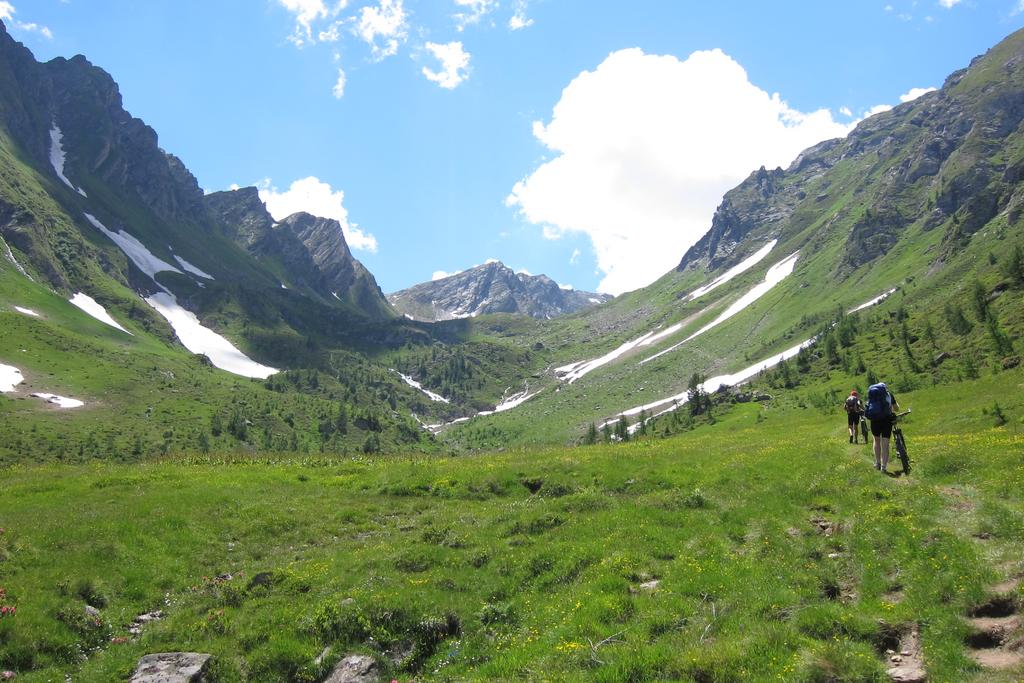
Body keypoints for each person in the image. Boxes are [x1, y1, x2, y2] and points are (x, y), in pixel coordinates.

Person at [866, 382, 900, 474]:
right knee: (885, 443)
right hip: (886, 421)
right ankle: (884, 467)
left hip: (875, 421)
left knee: (876, 441)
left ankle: (877, 463)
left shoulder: (872, 396)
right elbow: (896, 408)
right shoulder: (889, 395)